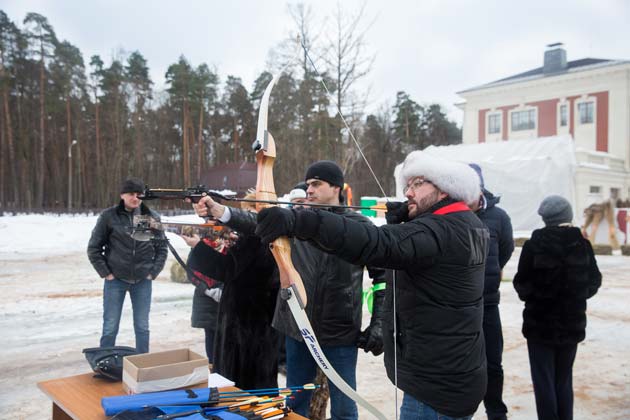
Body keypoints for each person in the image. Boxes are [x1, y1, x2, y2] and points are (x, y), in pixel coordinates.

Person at [254, 152, 489, 420]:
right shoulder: (467, 224)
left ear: (445, 190)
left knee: (344, 406)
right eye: (407, 186)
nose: (408, 193)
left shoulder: (438, 230)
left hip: (436, 385)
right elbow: (420, 254)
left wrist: (302, 221)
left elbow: (377, 243)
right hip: (451, 373)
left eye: (418, 184)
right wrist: (406, 223)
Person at [194, 161, 386, 420]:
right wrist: (221, 211)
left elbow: (382, 275)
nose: (309, 190)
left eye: (316, 184)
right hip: (299, 327)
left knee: (344, 405)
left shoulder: (360, 226)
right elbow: (257, 222)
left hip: (339, 330)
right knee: (295, 403)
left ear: (336, 187)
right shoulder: (298, 221)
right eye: (307, 184)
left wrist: (379, 324)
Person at [513, 195, 601, 420]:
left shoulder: (535, 244)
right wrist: (575, 297)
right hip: (572, 324)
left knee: (543, 381)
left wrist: (536, 298)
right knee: (564, 380)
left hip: (539, 325)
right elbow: (594, 280)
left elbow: (521, 282)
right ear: (568, 215)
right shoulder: (582, 243)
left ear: (545, 218)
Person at [188, 197, 281, 390]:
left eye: (250, 212)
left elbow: (227, 269)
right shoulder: (259, 236)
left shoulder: (258, 239)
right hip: (248, 320)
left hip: (249, 324)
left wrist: (198, 247)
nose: (244, 218)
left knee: (245, 385)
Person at [87, 177, 168, 354]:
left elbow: (161, 248)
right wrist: (106, 273)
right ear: (122, 195)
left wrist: (152, 273)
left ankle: (142, 364)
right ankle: (105, 361)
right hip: (115, 281)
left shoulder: (149, 217)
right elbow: (93, 248)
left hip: (142, 281)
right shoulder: (109, 217)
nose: (135, 198)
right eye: (131, 194)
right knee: (110, 326)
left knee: (142, 327)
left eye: (139, 194)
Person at [469, 164, 514, 420]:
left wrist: (492, 270)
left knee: (493, 363)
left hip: (488, 304)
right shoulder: (453, 214)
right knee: (462, 363)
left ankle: (496, 410)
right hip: (458, 306)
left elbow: (506, 250)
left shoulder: (499, 217)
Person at [179, 228, 226, 362]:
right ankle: (212, 367)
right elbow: (192, 272)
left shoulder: (230, 247)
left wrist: (225, 289)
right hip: (206, 300)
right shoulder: (199, 248)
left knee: (227, 338)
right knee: (211, 336)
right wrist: (208, 290)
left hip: (227, 298)